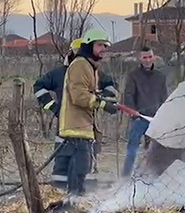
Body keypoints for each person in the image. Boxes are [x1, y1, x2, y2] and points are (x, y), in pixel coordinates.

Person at [35, 39, 117, 183]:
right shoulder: (59, 73)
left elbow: (111, 86)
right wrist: (54, 107)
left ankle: (80, 193)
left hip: (86, 125)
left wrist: (103, 98)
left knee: (85, 163)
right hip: (65, 124)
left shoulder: (93, 72)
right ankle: (61, 193)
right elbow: (38, 87)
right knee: (62, 164)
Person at [57, 29, 118, 196]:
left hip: (83, 125)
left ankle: (75, 197)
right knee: (81, 165)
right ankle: (75, 199)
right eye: (99, 45)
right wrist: (103, 104)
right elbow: (78, 95)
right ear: (89, 45)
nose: (103, 49)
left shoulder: (91, 67)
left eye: (105, 46)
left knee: (83, 165)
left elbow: (88, 91)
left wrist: (103, 96)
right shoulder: (80, 64)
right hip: (75, 125)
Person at [120, 46, 170, 177]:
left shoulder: (160, 77)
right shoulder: (133, 76)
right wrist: (133, 113)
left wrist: (163, 116)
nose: (147, 60)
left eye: (149, 57)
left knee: (154, 152)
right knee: (132, 150)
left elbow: (164, 98)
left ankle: (150, 177)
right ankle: (125, 178)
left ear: (154, 57)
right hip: (139, 119)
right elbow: (128, 95)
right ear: (140, 59)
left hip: (155, 120)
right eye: (144, 57)